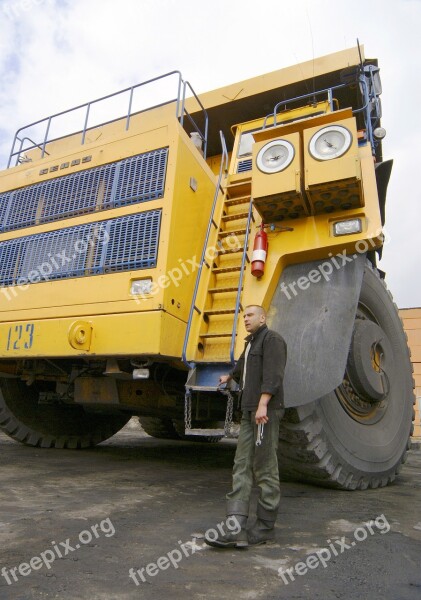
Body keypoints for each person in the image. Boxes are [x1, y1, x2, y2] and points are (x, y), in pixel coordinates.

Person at [205, 304, 287, 548]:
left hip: (265, 412)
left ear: (262, 317)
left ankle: (264, 527)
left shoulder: (273, 340)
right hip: (250, 410)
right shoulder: (250, 343)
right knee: (241, 463)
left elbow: (274, 375)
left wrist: (263, 404)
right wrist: (229, 376)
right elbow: (242, 367)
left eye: (250, 315)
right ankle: (235, 526)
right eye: (244, 316)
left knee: (265, 467)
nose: (246, 319)